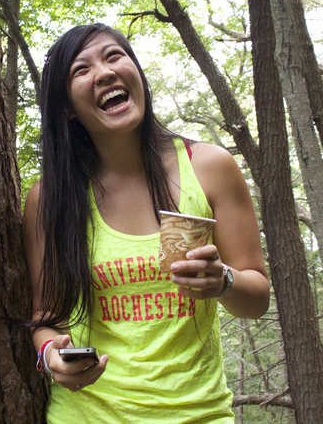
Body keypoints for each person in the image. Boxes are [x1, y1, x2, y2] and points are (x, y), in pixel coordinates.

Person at [23, 23, 269, 423]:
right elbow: (46, 318)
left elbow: (256, 299)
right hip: (87, 415)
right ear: (68, 107)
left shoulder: (208, 167)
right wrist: (51, 357)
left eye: (114, 56)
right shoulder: (51, 198)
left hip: (199, 414)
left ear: (137, 73)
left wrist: (222, 280)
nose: (104, 72)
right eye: (81, 70)